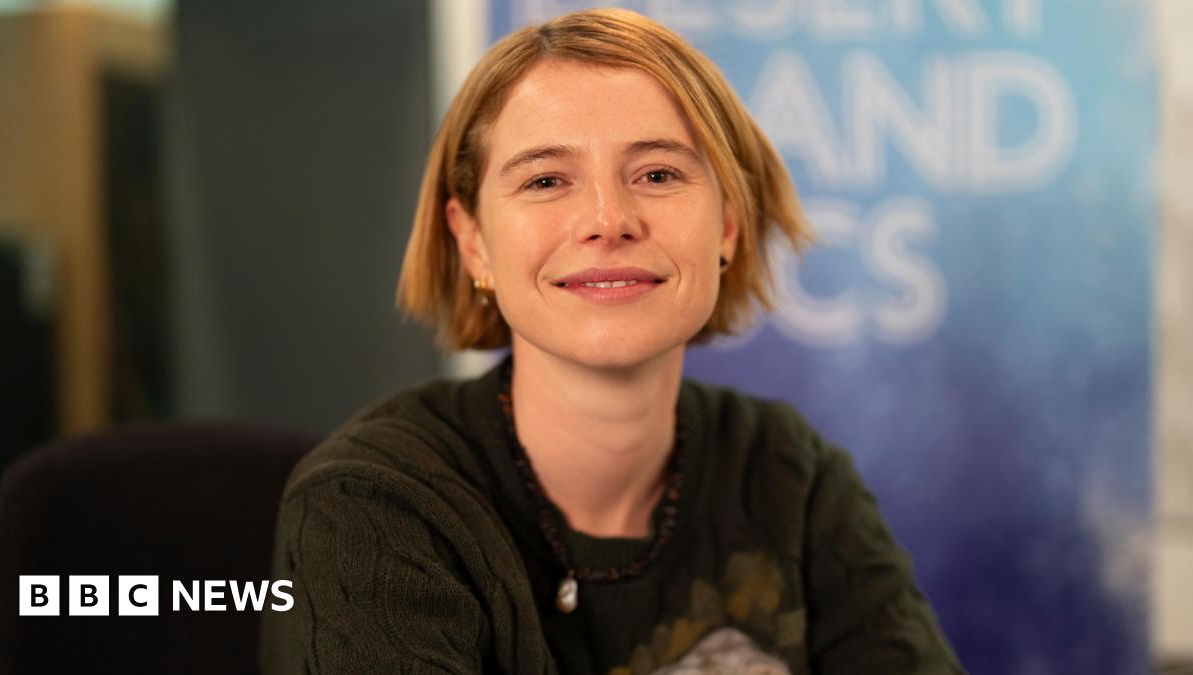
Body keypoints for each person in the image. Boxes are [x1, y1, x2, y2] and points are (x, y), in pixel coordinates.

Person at [259, 8, 963, 674]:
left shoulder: (788, 473)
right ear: (473, 241)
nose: (608, 219)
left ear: (726, 226)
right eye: (546, 179)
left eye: (658, 173)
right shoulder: (374, 505)